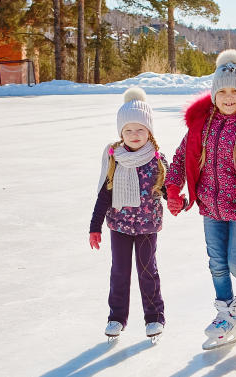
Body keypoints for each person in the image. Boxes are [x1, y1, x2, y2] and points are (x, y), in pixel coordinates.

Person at [165, 49, 236, 350]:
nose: (229, 97)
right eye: (223, 91)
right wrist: (173, 187)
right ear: (214, 94)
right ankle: (227, 314)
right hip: (210, 207)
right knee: (217, 264)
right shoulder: (200, 126)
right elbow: (180, 159)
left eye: (235, 91)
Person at [89, 87, 168, 342]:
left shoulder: (157, 160)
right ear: (121, 133)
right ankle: (116, 317)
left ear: (149, 132)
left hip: (147, 227)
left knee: (148, 271)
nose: (135, 135)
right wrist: (95, 227)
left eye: (140, 130)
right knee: (120, 272)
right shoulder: (115, 160)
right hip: (120, 226)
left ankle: (154, 318)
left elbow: (168, 188)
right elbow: (104, 196)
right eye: (128, 130)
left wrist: (178, 200)